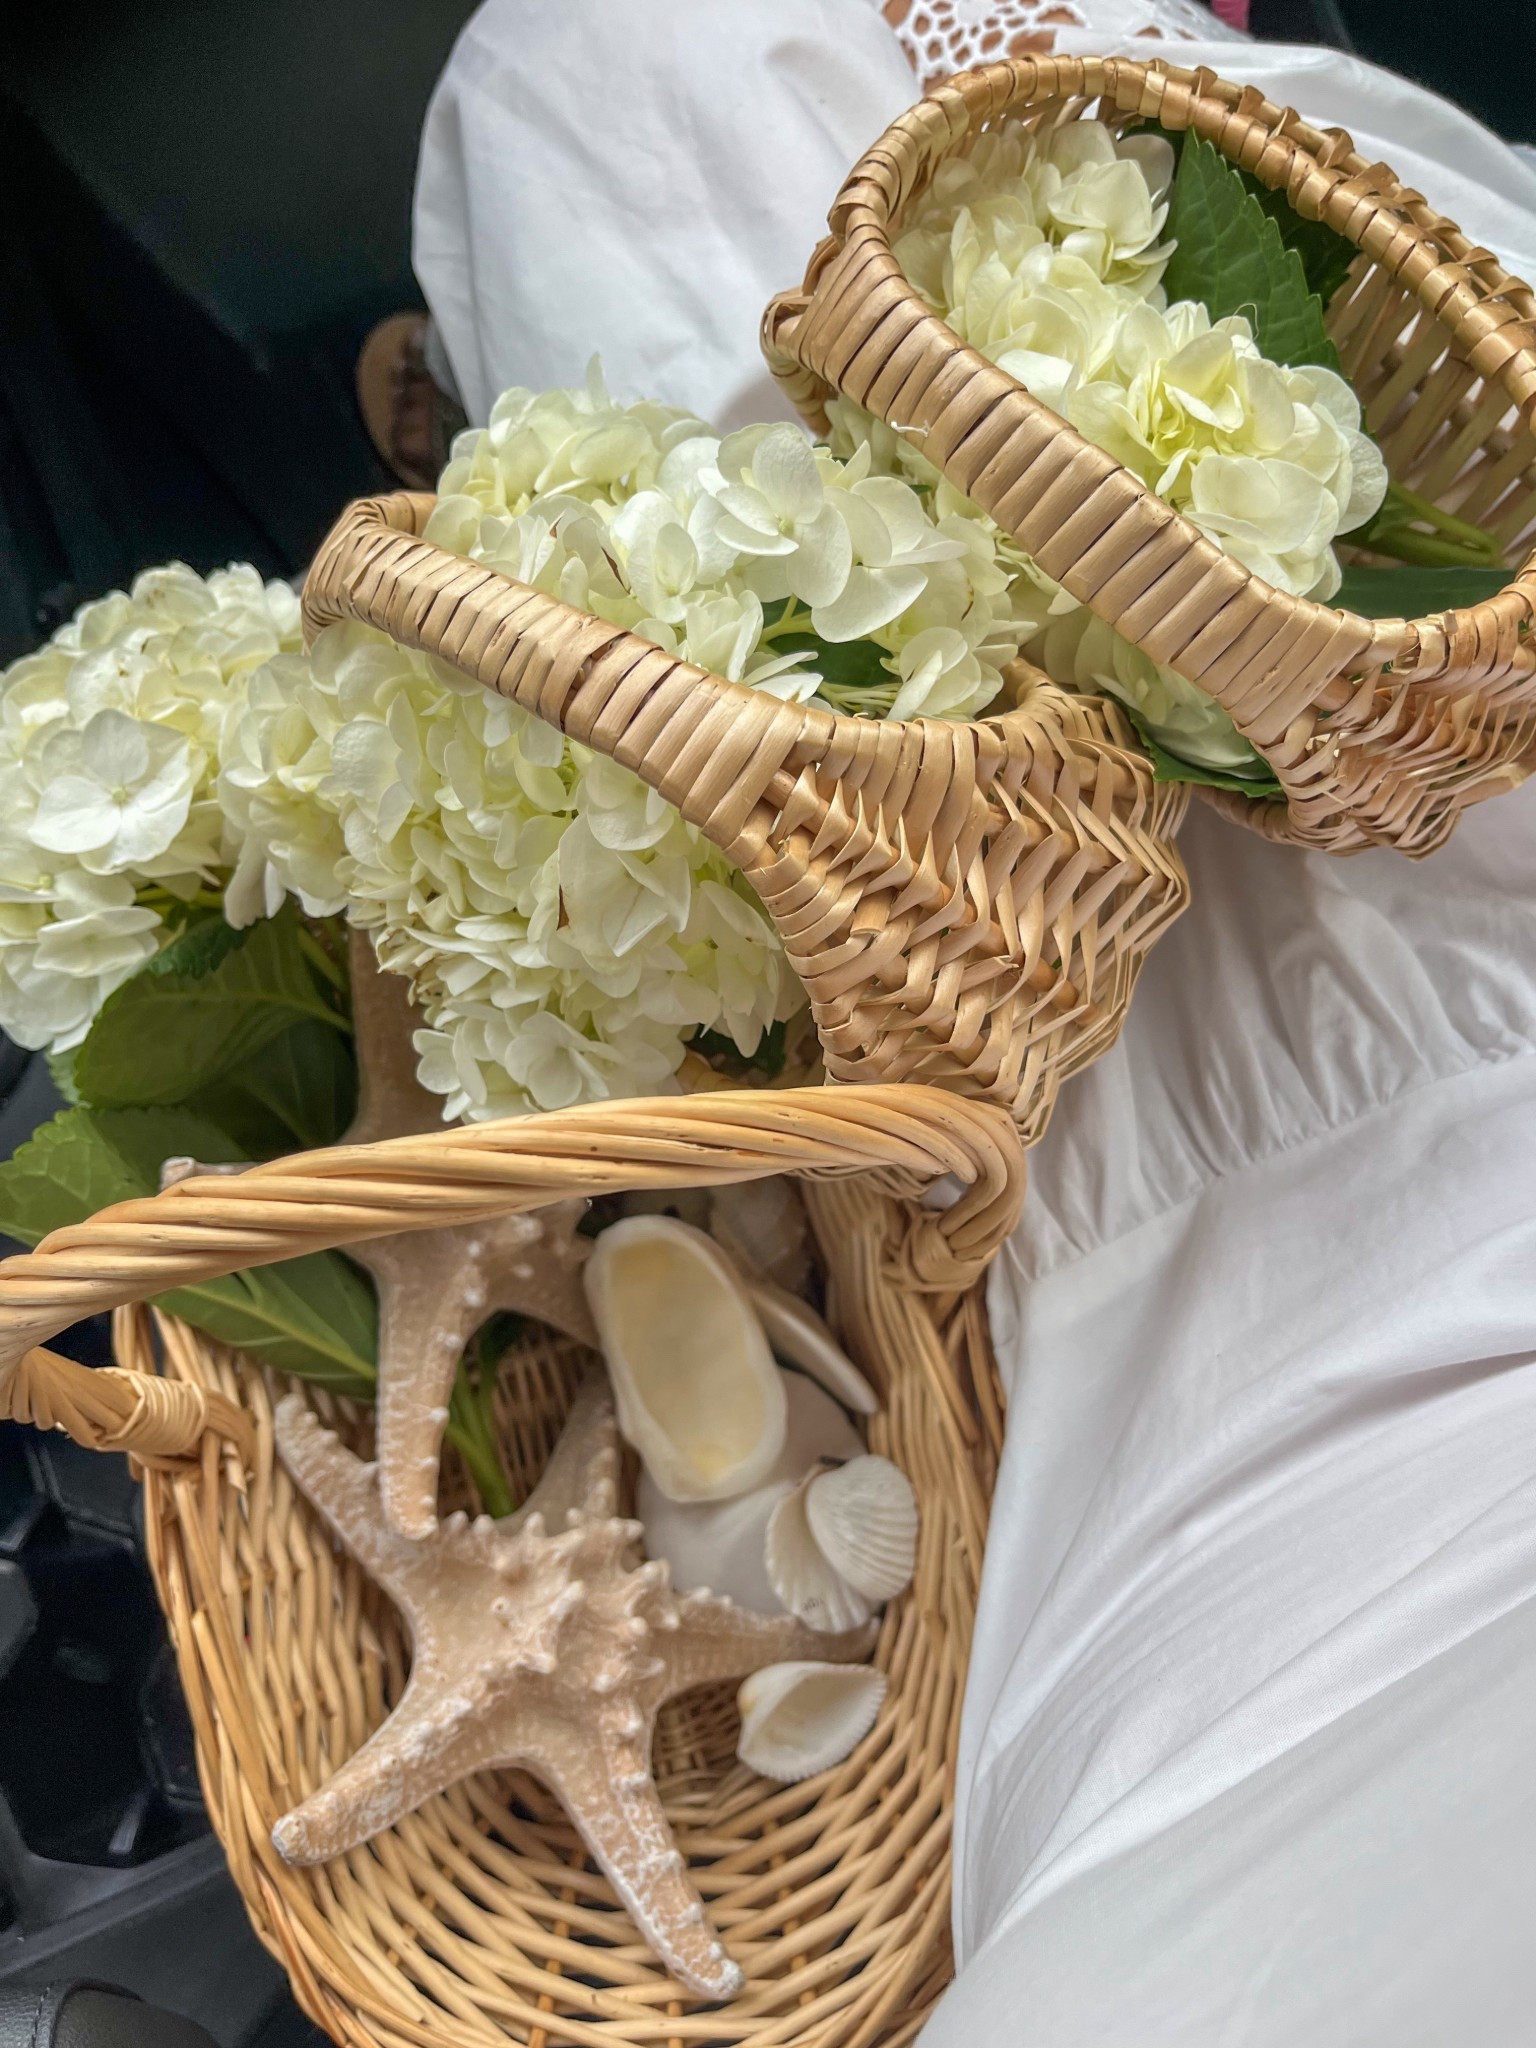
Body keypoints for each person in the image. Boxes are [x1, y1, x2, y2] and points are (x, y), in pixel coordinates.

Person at [393, 5, 1536, 2037]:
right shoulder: (1396, 163)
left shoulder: (602, 56)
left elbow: (765, 767)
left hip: (1266, 1428)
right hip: (1273, 1362)